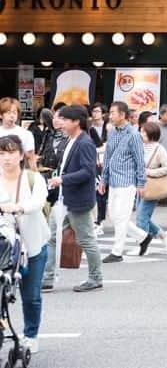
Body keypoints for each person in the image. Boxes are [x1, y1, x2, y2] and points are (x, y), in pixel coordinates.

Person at [42, 105, 103, 293]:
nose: (61, 122)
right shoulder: (71, 139)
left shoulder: (85, 143)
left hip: (77, 200)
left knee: (86, 239)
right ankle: (47, 278)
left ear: (76, 122)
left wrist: (63, 179)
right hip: (64, 198)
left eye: (65, 119)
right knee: (51, 237)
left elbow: (87, 171)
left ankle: (95, 277)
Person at [0, 135, 48, 353]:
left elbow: (38, 201)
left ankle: (31, 335)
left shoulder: (32, 178)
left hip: (32, 245)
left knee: (31, 295)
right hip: (5, 246)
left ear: (21, 155)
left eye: (11, 153)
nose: (6, 158)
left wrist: (18, 207)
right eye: (2, 153)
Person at [99, 101, 147, 262]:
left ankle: (117, 251)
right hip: (113, 180)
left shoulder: (134, 135)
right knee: (114, 216)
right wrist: (103, 179)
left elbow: (140, 160)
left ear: (122, 115)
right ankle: (142, 237)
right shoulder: (112, 132)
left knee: (121, 216)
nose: (110, 116)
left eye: (113, 113)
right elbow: (107, 157)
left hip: (127, 181)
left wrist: (141, 183)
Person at [132, 121, 167, 256]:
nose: (141, 134)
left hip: (152, 186)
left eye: (144, 132)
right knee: (143, 216)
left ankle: (142, 244)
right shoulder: (139, 146)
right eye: (140, 131)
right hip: (140, 185)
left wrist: (149, 172)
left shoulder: (159, 148)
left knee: (141, 217)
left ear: (151, 134)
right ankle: (163, 235)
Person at [0, 98, 36, 170]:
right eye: (8, 112)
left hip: (18, 175)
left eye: (14, 112)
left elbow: (31, 159)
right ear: (1, 115)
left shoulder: (26, 134)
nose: (12, 115)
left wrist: (35, 176)